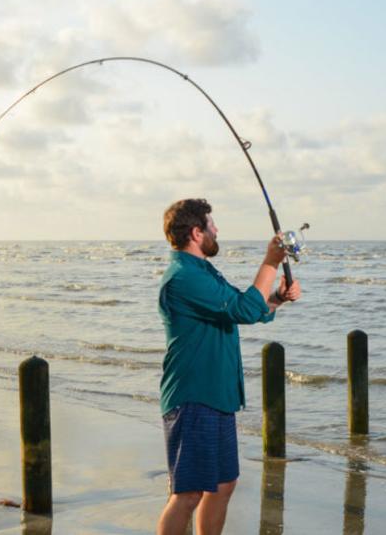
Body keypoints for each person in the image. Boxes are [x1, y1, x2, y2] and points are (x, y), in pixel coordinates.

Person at [156, 198, 301, 535]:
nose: (217, 229)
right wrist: (270, 261)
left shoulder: (202, 271)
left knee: (223, 484)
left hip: (217, 396)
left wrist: (276, 298)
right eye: (211, 224)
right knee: (188, 493)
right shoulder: (183, 277)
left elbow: (242, 307)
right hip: (193, 396)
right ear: (196, 232)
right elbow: (243, 309)